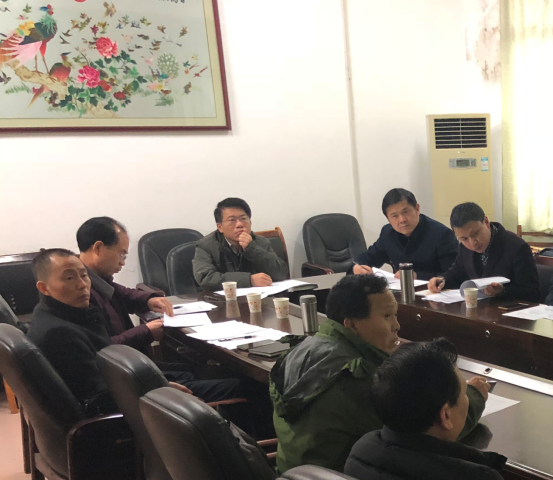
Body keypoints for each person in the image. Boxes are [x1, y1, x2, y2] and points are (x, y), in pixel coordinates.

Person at [78, 217, 274, 438]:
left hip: (132, 374)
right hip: (129, 382)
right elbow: (105, 349)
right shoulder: (83, 293)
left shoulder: (97, 281)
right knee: (250, 385)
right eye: (122, 255)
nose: (123, 263)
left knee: (193, 369)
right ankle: (252, 447)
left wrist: (149, 299)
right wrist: (146, 331)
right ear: (98, 248)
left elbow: (122, 294)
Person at [269, 275, 487, 474]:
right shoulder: (357, 377)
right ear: (351, 324)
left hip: (293, 474)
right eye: (386, 316)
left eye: (395, 315)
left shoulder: (301, 349)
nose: (396, 325)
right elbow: (426, 433)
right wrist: (474, 396)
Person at [344, 338, 504, 480]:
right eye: (465, 392)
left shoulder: (362, 452)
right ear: (445, 416)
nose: (467, 398)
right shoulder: (479, 476)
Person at [26, 248, 118, 415]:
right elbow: (100, 398)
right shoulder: (59, 335)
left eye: (84, 275)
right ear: (44, 288)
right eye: (69, 278)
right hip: (107, 419)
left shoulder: (47, 311)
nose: (82, 285)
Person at [428, 202, 540, 302]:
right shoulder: (464, 248)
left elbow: (532, 293)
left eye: (475, 234)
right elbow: (456, 273)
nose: (472, 243)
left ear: (486, 222)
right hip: (478, 311)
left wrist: (503, 291)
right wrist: (442, 280)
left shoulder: (517, 247)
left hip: (507, 313)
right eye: (464, 239)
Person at [349, 188, 458, 281]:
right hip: (401, 293)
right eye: (394, 216)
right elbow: (369, 257)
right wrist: (356, 267)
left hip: (436, 294)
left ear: (417, 209)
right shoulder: (387, 233)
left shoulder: (442, 234)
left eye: (405, 212)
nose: (402, 220)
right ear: (388, 218)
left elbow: (454, 275)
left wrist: (417, 276)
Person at [193, 197, 288, 290]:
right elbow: (205, 278)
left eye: (243, 218)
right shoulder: (206, 246)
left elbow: (281, 273)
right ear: (220, 227)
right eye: (232, 220)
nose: (239, 224)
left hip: (260, 297)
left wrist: (252, 249)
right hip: (223, 299)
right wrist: (249, 280)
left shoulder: (260, 241)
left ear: (250, 222)